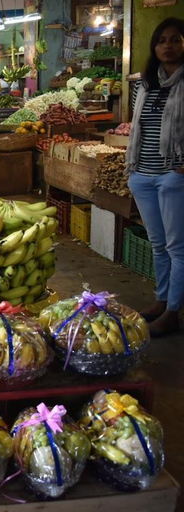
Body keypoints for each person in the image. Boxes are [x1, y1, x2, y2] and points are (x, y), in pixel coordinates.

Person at [125, 17, 184, 337]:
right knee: (158, 244)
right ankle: (161, 301)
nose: (168, 46)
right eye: (162, 40)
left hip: (173, 176)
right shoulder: (146, 83)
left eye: (175, 39)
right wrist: (133, 170)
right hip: (143, 174)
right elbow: (138, 127)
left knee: (178, 247)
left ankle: (174, 311)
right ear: (154, 46)